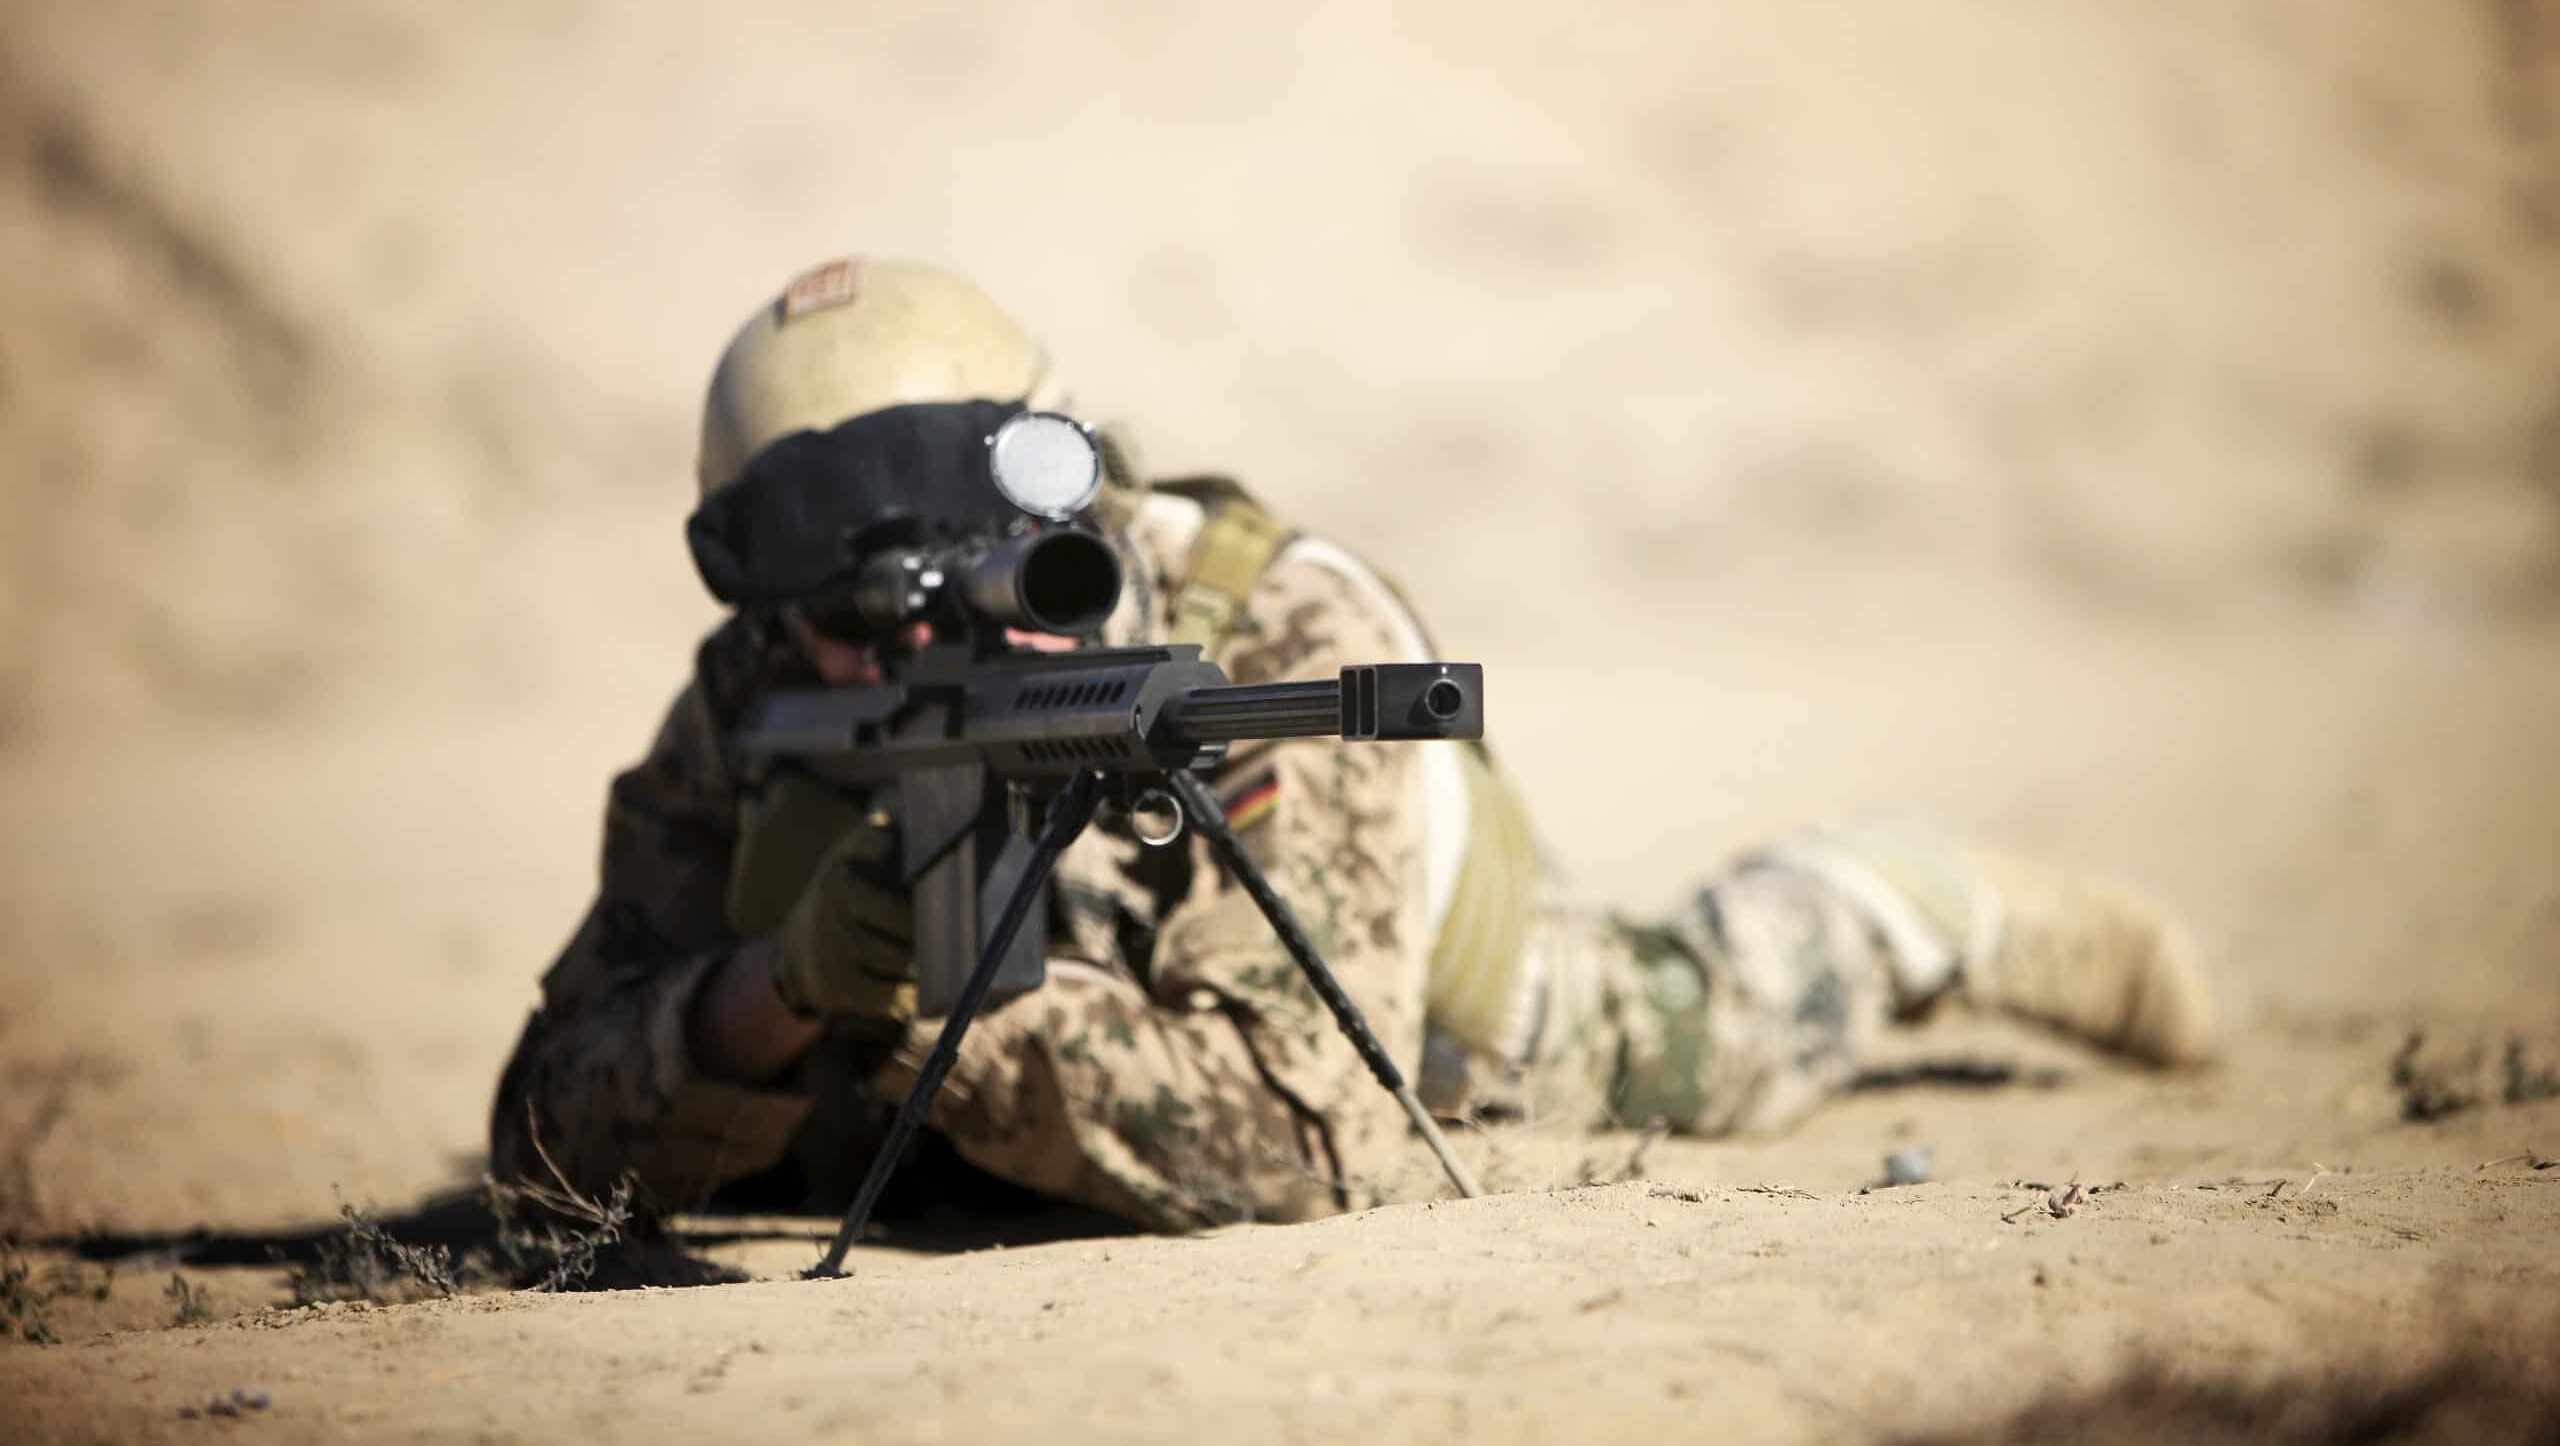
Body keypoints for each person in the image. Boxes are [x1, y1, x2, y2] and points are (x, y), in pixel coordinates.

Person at [489, 256, 2214, 1229]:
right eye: (859, 628)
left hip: (1448, 1027)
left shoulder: (1271, 633)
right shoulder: (755, 703)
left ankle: (1922, 899)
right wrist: (766, 998)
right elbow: (538, 1138)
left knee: (1724, 1029)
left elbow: (1309, 1144)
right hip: (1032, 1109)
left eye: (989, 589)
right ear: (775, 607)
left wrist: (971, 1003)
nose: (927, 652)